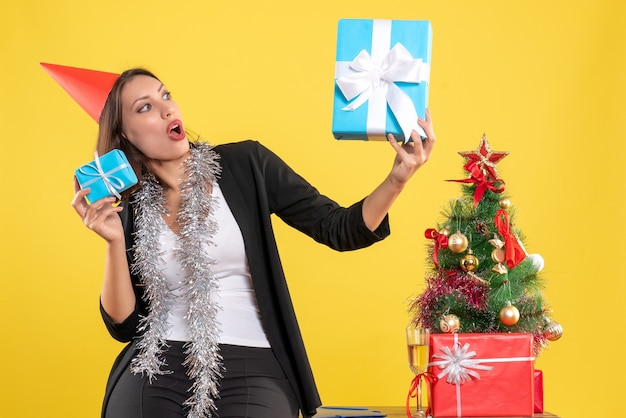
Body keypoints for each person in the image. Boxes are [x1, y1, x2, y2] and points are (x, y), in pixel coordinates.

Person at [71, 67, 436, 418]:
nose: (167, 107)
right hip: (156, 366)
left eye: (166, 95)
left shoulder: (246, 164)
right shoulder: (129, 207)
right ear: (125, 139)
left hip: (253, 363)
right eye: (145, 107)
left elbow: (339, 228)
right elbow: (123, 325)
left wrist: (398, 178)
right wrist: (113, 242)